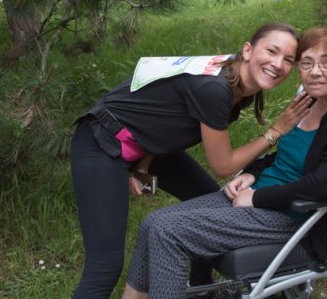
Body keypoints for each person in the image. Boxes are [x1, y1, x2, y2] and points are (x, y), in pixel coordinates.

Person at [120, 27, 327, 299]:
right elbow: (290, 156)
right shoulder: (309, 100)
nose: (315, 71)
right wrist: (252, 173)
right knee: (153, 222)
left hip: (296, 216)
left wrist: (257, 198)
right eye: (307, 63)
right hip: (263, 195)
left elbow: (325, 183)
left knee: (167, 231)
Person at [70, 23, 310, 298]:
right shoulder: (216, 88)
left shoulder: (240, 84)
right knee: (105, 265)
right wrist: (276, 131)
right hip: (101, 142)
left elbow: (165, 112)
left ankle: (200, 287)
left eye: (288, 60)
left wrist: (144, 164)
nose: (278, 64)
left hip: (144, 145)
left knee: (209, 204)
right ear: (247, 49)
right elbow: (223, 166)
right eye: (272, 51)